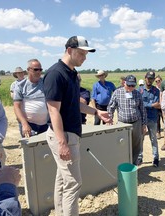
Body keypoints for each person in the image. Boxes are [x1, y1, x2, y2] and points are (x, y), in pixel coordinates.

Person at [43, 35, 111, 216]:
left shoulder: (72, 74)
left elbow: (74, 104)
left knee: (63, 180)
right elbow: (53, 111)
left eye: (86, 54)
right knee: (73, 183)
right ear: (69, 50)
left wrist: (96, 112)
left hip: (70, 134)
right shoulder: (56, 74)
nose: (84, 57)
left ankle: (60, 213)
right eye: (81, 53)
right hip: (63, 136)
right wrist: (62, 143)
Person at [108, 74, 147, 165]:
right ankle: (123, 164)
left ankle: (133, 165)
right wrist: (110, 119)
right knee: (122, 145)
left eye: (133, 85)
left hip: (136, 123)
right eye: (129, 85)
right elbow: (111, 107)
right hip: (122, 124)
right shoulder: (117, 92)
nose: (130, 87)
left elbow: (142, 109)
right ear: (124, 83)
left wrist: (144, 124)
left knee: (136, 145)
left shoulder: (137, 93)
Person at [13, 59, 48, 138]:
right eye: (36, 69)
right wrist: (24, 124)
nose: (39, 72)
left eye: (40, 69)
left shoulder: (45, 83)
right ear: (28, 70)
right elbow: (16, 107)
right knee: (31, 149)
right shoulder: (20, 86)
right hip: (29, 125)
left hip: (45, 125)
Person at [138, 71, 160, 167]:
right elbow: (140, 104)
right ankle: (140, 157)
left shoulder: (156, 91)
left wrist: (147, 105)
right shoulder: (140, 90)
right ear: (145, 78)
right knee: (140, 139)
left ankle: (155, 158)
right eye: (148, 78)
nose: (149, 80)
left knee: (153, 139)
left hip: (153, 118)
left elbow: (157, 103)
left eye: (151, 78)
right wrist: (151, 105)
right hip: (142, 118)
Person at [155, 75, 163, 139]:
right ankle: (158, 132)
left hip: (163, 107)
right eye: (156, 81)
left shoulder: (164, 88)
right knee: (157, 120)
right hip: (157, 107)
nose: (158, 82)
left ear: (161, 81)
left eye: (159, 81)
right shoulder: (155, 89)